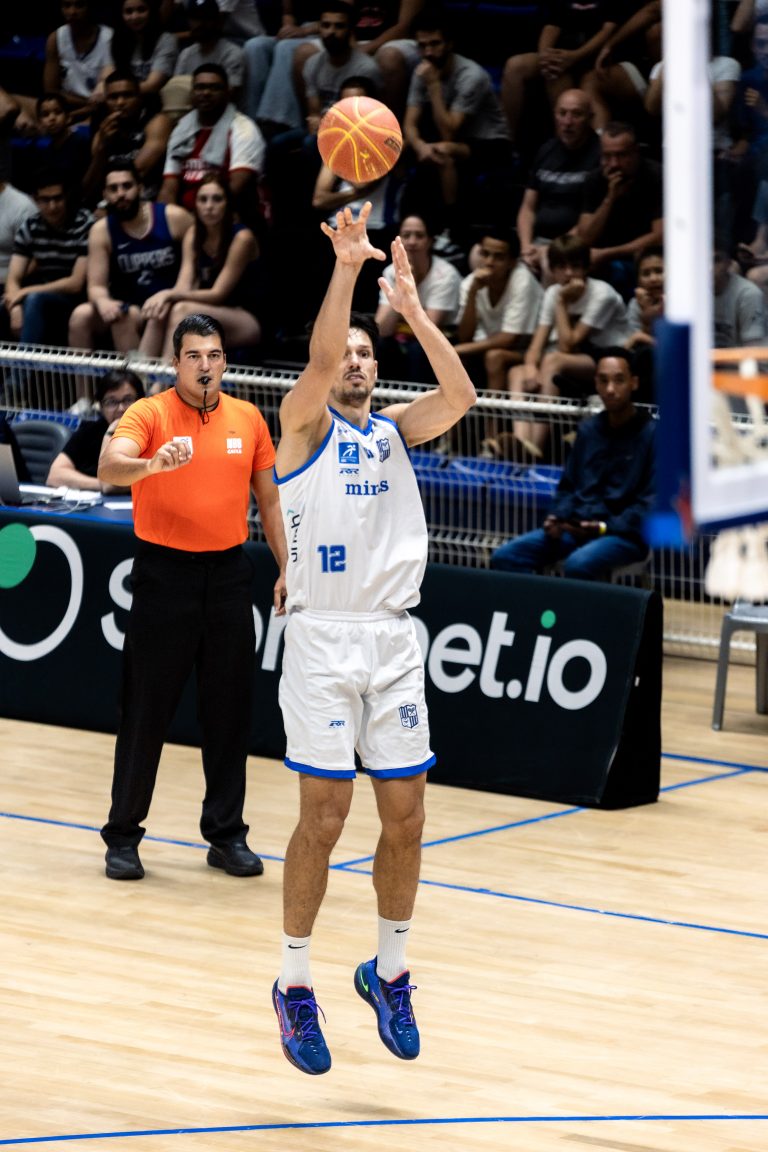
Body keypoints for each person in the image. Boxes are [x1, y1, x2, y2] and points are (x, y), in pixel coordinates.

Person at [271, 203, 476, 1075]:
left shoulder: (394, 429)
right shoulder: (301, 425)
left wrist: (416, 313)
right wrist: (348, 266)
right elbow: (319, 361)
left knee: (408, 817)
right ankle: (293, 983)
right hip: (323, 639)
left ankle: (388, 970)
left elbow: (461, 398)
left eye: (365, 352)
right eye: (345, 352)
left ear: (378, 367)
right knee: (325, 817)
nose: (353, 360)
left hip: (392, 640)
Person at [97, 311, 287, 881]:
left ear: (224, 361)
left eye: (214, 356)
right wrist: (152, 464)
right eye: (194, 356)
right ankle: (123, 836)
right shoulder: (149, 412)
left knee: (229, 711)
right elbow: (109, 466)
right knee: (146, 709)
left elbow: (270, 500)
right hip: (165, 576)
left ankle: (226, 836)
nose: (205, 366)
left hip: (228, 576)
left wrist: (288, 567)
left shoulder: (248, 418)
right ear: (176, 362)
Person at [490, 347, 654, 581]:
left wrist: (603, 527)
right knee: (506, 557)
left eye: (619, 380)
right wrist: (556, 516)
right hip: (576, 528)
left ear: (634, 383)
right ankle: (536, 605)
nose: (610, 389)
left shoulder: (652, 435)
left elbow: (650, 503)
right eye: (603, 381)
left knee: (579, 564)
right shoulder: (588, 431)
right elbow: (568, 487)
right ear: (595, 384)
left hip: (625, 535)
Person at [496, 233, 629, 461]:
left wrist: (561, 301)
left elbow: (568, 345)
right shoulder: (552, 292)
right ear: (553, 269)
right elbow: (537, 344)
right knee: (517, 372)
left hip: (609, 358)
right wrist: (531, 367)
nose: (568, 273)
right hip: (576, 358)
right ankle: (521, 442)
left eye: (575, 267)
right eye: (561, 267)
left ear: (586, 268)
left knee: (553, 359)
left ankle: (535, 447)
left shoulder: (602, 294)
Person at [403, 11, 511, 241]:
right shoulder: (422, 71)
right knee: (400, 146)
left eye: (435, 44)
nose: (428, 52)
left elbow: (449, 131)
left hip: (491, 143)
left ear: (449, 44)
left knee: (443, 151)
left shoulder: (471, 75)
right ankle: (400, 222)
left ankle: (451, 228)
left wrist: (434, 86)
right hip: (454, 139)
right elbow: (409, 123)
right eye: (422, 46)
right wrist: (420, 146)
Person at [69, 159, 192, 357]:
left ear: (140, 188)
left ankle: (137, 376)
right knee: (81, 316)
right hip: (130, 307)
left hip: (169, 302)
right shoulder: (101, 231)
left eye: (127, 186)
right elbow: (96, 286)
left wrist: (173, 295)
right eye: (113, 189)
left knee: (124, 317)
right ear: (105, 195)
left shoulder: (174, 217)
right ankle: (84, 379)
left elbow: (195, 268)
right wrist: (103, 302)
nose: (121, 194)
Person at [140, 171, 263, 359]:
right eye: (203, 200)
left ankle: (166, 373)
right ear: (195, 205)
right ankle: (139, 373)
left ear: (228, 203)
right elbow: (183, 286)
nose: (209, 206)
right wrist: (167, 299)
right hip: (209, 314)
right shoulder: (193, 234)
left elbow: (218, 294)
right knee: (161, 311)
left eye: (217, 199)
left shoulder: (241, 238)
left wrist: (168, 294)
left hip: (247, 320)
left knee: (181, 309)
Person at [500, 0, 616, 151]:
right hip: (561, 57)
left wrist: (575, 56)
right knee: (515, 66)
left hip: (593, 58)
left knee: (556, 74)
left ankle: (564, 149)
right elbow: (552, 25)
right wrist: (545, 56)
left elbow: (608, 30)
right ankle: (506, 144)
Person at [159, 63, 266, 218]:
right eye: (200, 88)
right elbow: (169, 188)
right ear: (192, 93)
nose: (206, 93)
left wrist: (197, 223)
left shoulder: (244, 129)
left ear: (227, 92)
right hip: (187, 217)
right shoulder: (181, 129)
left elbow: (236, 188)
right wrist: (167, 223)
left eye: (214, 88)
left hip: (231, 214)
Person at [516, 87, 600, 280]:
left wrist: (551, 249)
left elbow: (591, 220)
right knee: (480, 257)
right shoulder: (546, 151)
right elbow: (528, 207)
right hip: (537, 242)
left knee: (550, 266)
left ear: (590, 118)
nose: (568, 122)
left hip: (575, 246)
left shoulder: (600, 156)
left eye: (576, 114)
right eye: (562, 113)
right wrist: (526, 247)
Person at [576, 120, 663, 297]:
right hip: (604, 258)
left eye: (621, 155)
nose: (614, 164)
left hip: (644, 256)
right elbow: (585, 237)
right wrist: (610, 198)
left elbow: (659, 236)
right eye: (607, 156)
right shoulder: (594, 179)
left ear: (636, 152)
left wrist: (606, 253)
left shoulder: (657, 176)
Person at [4, 172, 92, 346]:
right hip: (41, 294)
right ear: (35, 200)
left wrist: (25, 292)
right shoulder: (30, 226)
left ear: (66, 197)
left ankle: (23, 364)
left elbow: (76, 283)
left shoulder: (85, 224)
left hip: (76, 300)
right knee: (7, 306)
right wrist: (14, 307)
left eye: (57, 198)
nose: (52, 206)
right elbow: (13, 278)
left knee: (35, 299)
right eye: (45, 200)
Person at [374, 212, 461, 383]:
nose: (412, 242)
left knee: (419, 350)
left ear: (430, 240)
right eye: (406, 235)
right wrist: (401, 287)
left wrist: (410, 288)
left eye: (419, 236)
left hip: (442, 336)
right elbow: (382, 329)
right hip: (401, 334)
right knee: (379, 345)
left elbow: (428, 331)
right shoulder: (391, 272)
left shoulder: (445, 275)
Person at [454, 226, 543, 391]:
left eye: (498, 257)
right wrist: (473, 293)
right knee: (457, 357)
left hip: (530, 351)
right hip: (489, 344)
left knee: (494, 356)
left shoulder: (522, 281)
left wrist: (456, 350)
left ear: (512, 262)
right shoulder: (470, 283)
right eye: (485, 254)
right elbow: (465, 336)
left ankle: (492, 409)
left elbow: (509, 339)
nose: (489, 262)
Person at [82, 69, 172, 205]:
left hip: (146, 199)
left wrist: (106, 204)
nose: (120, 102)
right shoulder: (103, 125)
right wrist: (102, 147)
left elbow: (138, 172)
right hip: (110, 197)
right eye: (113, 97)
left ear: (140, 97)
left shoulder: (156, 121)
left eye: (128, 95)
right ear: (105, 100)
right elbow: (91, 184)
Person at [47, 367, 144, 491]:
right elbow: (54, 476)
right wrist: (100, 485)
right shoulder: (90, 431)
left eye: (128, 400)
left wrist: (110, 434)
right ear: (101, 407)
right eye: (111, 402)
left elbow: (111, 483)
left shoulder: (153, 433)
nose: (121, 409)